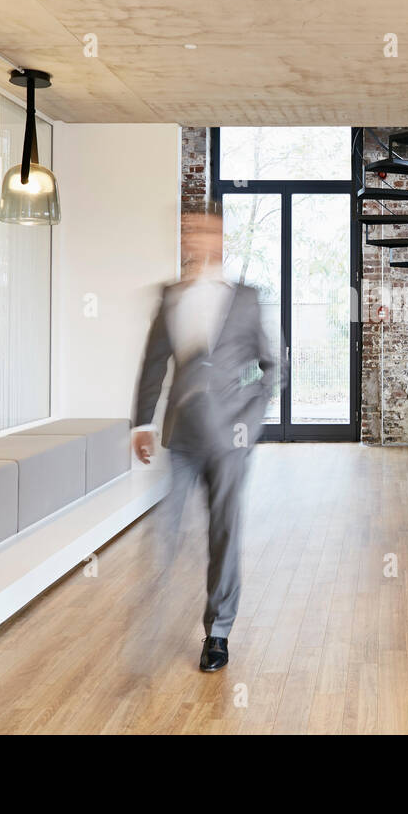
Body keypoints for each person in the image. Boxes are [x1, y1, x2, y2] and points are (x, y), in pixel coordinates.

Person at [132, 205, 277, 672]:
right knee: (165, 529)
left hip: (231, 438)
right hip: (182, 436)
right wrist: (141, 423)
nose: (195, 238)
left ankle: (218, 632)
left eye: (205, 232)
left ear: (220, 240)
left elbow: (271, 366)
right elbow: (154, 362)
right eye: (189, 231)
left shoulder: (246, 298)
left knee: (223, 531)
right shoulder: (170, 297)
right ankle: (148, 627)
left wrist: (251, 420)